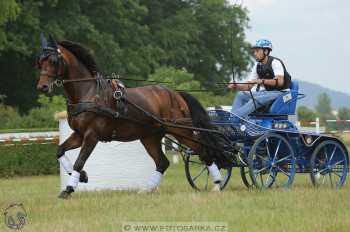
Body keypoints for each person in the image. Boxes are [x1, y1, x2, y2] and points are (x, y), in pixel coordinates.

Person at [228, 39, 291, 118]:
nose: (255, 53)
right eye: (254, 51)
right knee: (241, 95)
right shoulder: (257, 66)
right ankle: (232, 120)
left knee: (255, 99)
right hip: (267, 93)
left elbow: (279, 82)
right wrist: (237, 86)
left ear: (266, 51)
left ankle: (233, 118)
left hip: (282, 93)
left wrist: (262, 81)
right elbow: (248, 86)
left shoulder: (275, 62)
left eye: (257, 51)